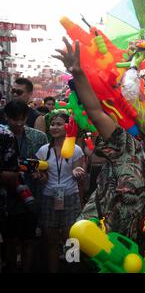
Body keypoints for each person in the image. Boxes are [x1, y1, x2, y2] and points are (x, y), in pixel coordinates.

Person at [53, 37, 145, 247]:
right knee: (71, 266)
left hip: (123, 252)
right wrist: (78, 73)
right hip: (88, 239)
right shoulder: (126, 147)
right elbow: (95, 112)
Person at [35, 111, 85, 273]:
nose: (55, 127)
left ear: (68, 126)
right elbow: (42, 176)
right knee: (51, 241)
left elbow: (79, 169)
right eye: (53, 124)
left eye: (59, 124)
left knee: (71, 239)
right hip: (49, 197)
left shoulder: (76, 149)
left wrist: (78, 172)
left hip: (70, 196)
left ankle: (73, 270)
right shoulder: (43, 151)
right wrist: (39, 177)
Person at [2, 100, 47, 273]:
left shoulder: (38, 137)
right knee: (10, 240)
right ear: (6, 117)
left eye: (23, 119)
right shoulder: (2, 135)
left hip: (32, 194)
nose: (19, 123)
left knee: (29, 239)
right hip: (7, 197)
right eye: (15, 119)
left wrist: (40, 175)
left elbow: (46, 166)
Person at [0, 125, 19, 273]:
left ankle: (73, 265)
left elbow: (13, 174)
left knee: (70, 235)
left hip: (70, 200)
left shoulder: (5, 134)